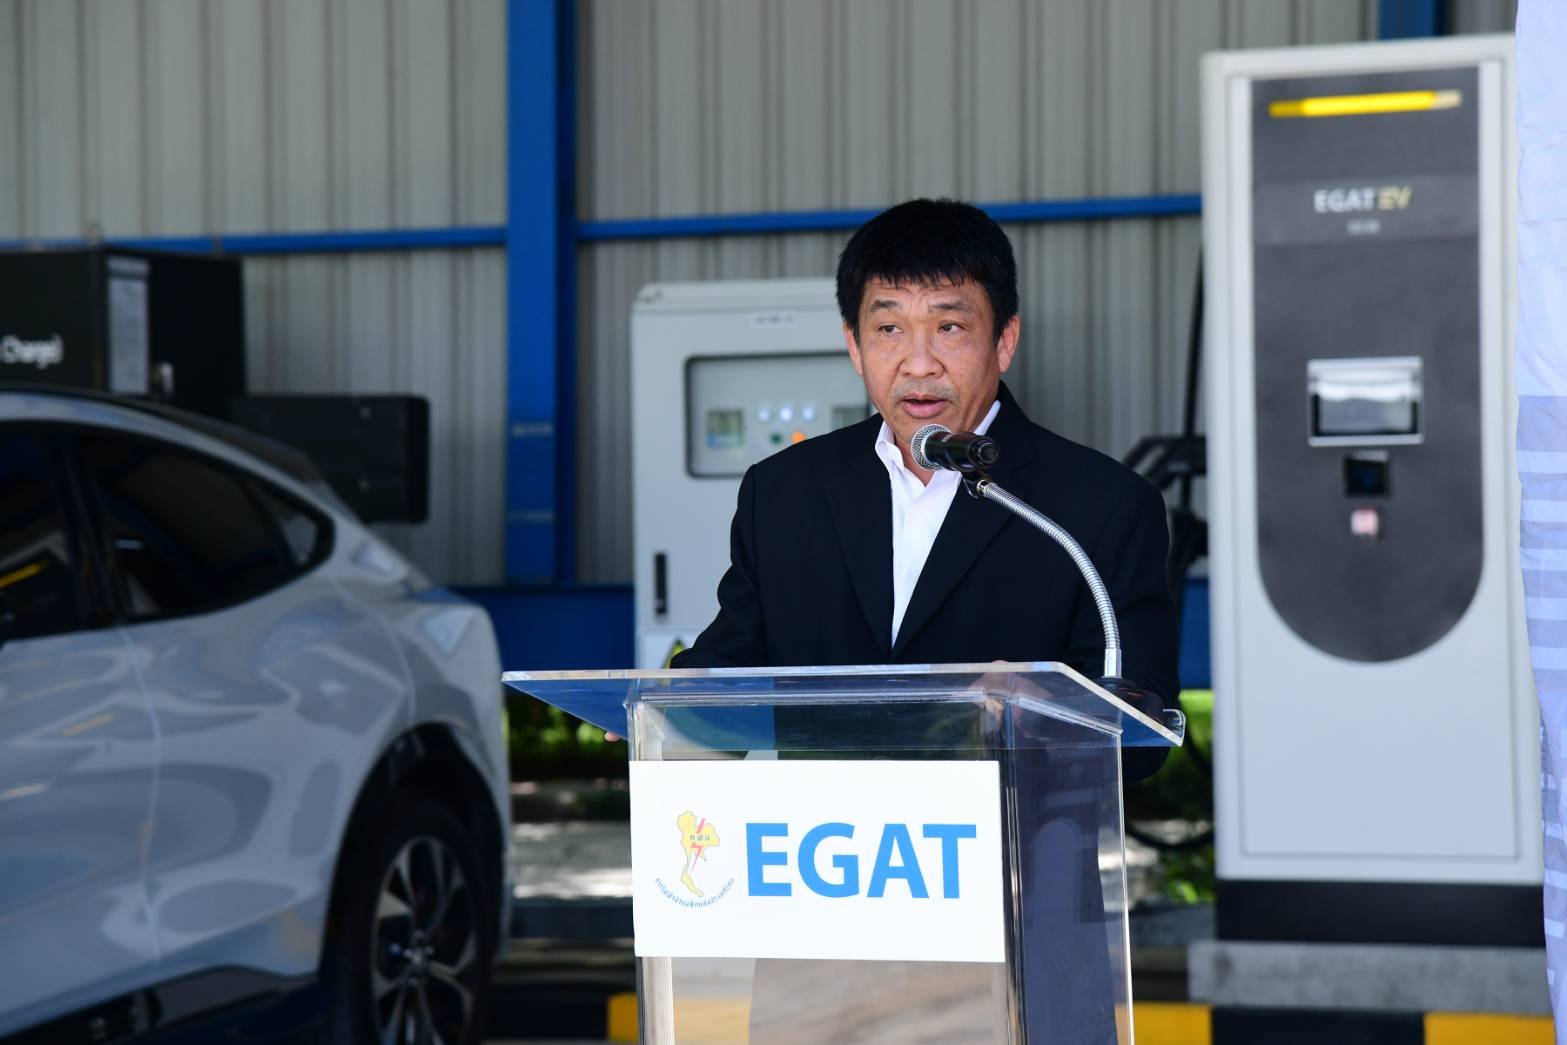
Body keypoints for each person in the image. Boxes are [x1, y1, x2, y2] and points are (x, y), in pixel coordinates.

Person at [670, 198, 1181, 1043]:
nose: (917, 362)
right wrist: (668, 704)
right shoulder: (784, 493)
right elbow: (734, 661)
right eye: (888, 329)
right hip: (823, 927)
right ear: (852, 345)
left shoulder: (1094, 505)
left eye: (948, 327)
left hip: (1015, 929)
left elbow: (1141, 728)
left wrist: (1046, 713)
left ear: (1003, 340)